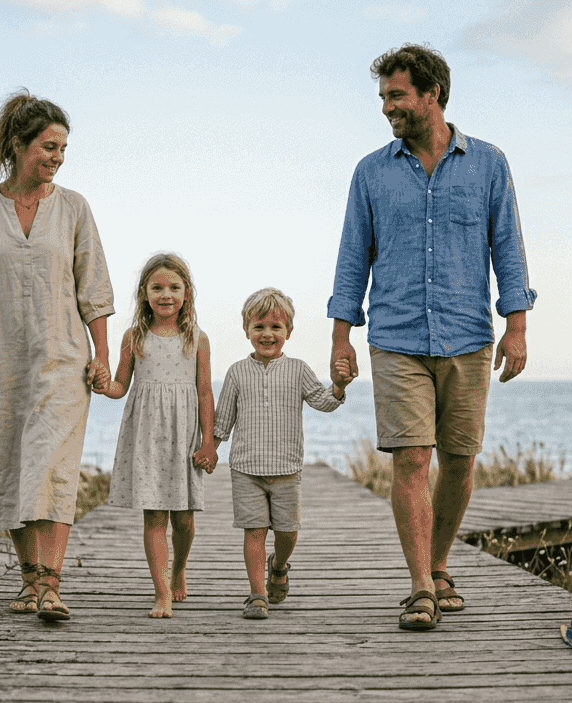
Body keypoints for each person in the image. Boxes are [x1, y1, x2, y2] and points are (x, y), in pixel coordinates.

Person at [328, 44, 537, 631]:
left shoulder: (488, 164)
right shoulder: (370, 172)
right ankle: (421, 586)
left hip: (467, 334)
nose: (386, 107)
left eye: (396, 95)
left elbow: (508, 247)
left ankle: (440, 564)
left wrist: (517, 326)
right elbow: (352, 258)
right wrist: (342, 337)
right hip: (395, 336)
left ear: (432, 94)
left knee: (460, 461)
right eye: (383, 97)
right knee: (412, 459)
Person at [0, 89, 114, 623]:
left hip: (63, 359)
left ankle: (52, 586)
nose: (57, 157)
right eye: (48, 147)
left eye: (63, 148)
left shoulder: (74, 208)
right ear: (18, 145)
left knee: (53, 466)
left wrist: (102, 354)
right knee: (10, 463)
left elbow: (94, 288)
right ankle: (29, 579)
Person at [211, 288, 352, 620]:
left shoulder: (298, 369)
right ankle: (257, 594)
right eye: (259, 326)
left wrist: (339, 386)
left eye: (275, 327)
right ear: (246, 329)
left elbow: (323, 401)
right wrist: (209, 450)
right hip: (246, 469)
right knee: (254, 531)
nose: (267, 334)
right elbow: (223, 419)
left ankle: (279, 566)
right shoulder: (236, 372)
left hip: (287, 469)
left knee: (287, 532)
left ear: (288, 330)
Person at [104, 253, 217, 619]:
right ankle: (162, 592)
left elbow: (204, 392)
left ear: (186, 293)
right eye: (157, 288)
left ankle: (179, 567)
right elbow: (120, 385)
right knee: (154, 516)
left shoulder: (197, 339)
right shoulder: (134, 337)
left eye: (174, 287)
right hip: (147, 436)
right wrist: (103, 384)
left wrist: (209, 441)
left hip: (184, 434)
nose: (165, 294)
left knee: (183, 519)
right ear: (144, 293)